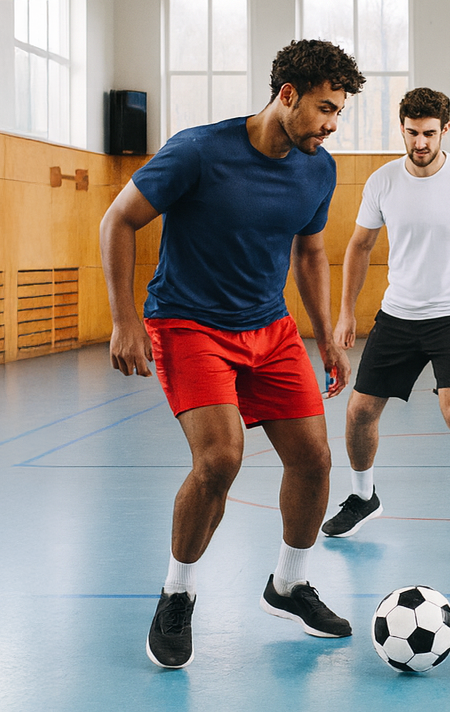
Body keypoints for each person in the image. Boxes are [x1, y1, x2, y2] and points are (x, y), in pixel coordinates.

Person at [100, 40, 365, 669]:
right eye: (325, 109)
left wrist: (324, 334)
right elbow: (118, 220)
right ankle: (176, 595)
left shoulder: (318, 168)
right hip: (189, 325)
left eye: (340, 114)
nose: (331, 125)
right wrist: (123, 319)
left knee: (314, 459)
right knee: (220, 458)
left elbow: (307, 253)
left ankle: (289, 584)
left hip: (269, 329)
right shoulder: (199, 150)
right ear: (287, 95)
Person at [320, 87, 450, 560]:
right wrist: (346, 312)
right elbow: (358, 246)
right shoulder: (383, 181)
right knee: (358, 412)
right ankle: (363, 496)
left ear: (445, 131)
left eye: (429, 133)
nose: (419, 143)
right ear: (403, 129)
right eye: (412, 133)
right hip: (398, 315)